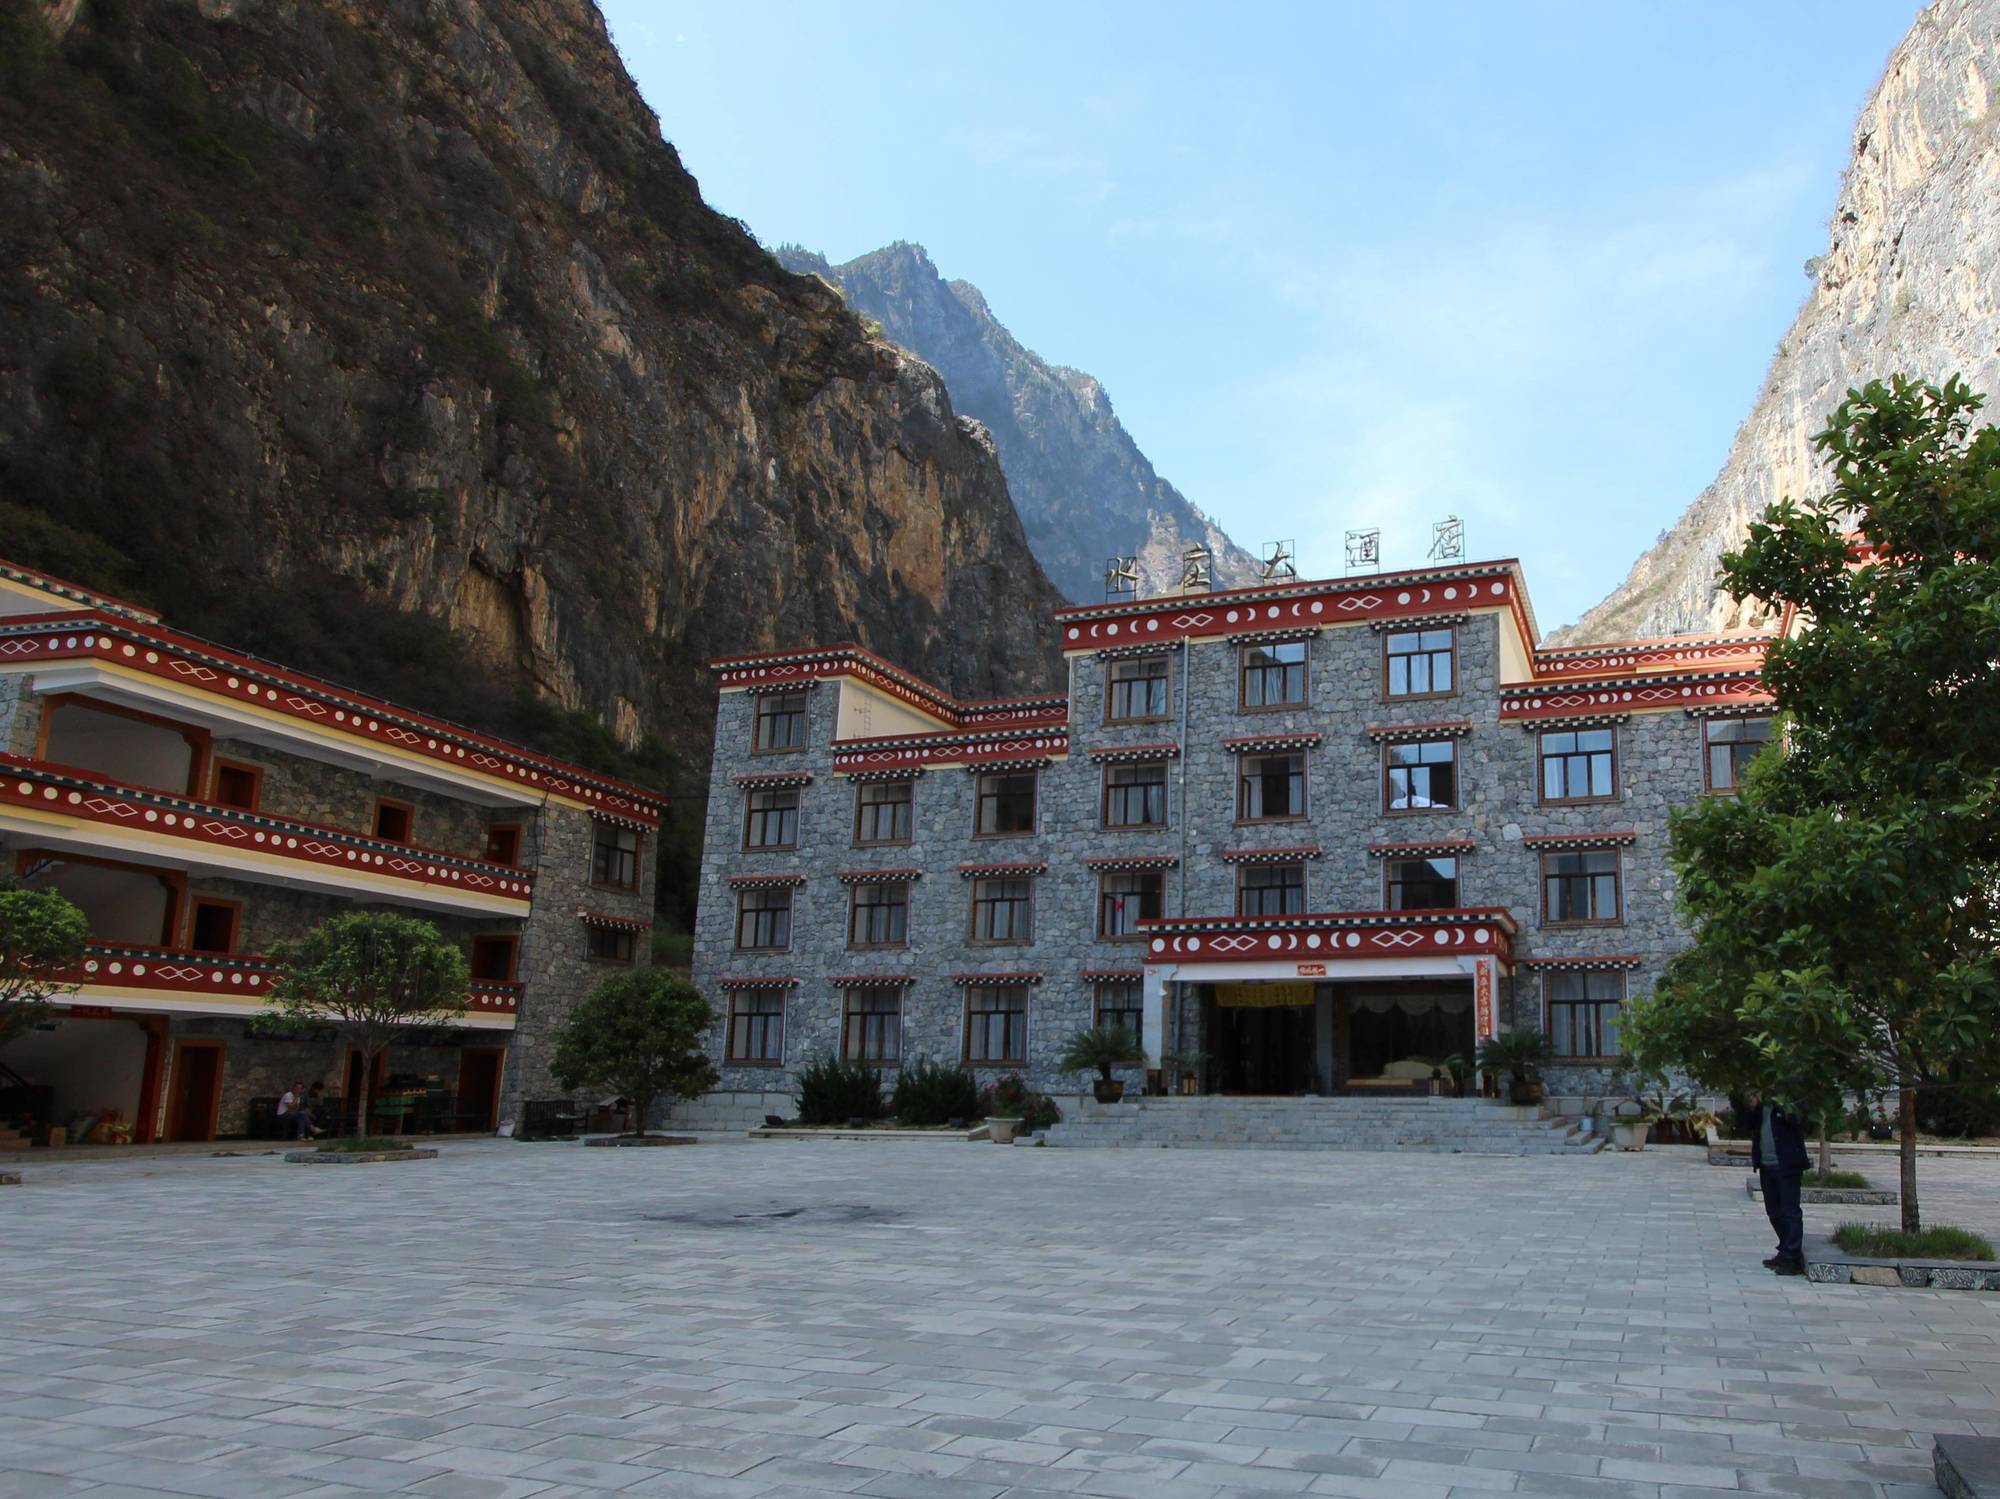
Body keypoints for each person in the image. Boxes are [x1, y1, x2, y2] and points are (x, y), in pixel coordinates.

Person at [1744, 1089, 1808, 1275]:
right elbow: (1749, 1126)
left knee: (1790, 1211)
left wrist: (1780, 1104)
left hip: (1787, 1165)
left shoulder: (1789, 1101)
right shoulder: (1763, 1106)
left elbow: (1795, 1120)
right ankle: (1785, 1250)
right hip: (1767, 1165)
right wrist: (1753, 1106)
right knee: (1773, 1211)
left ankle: (1792, 1257)